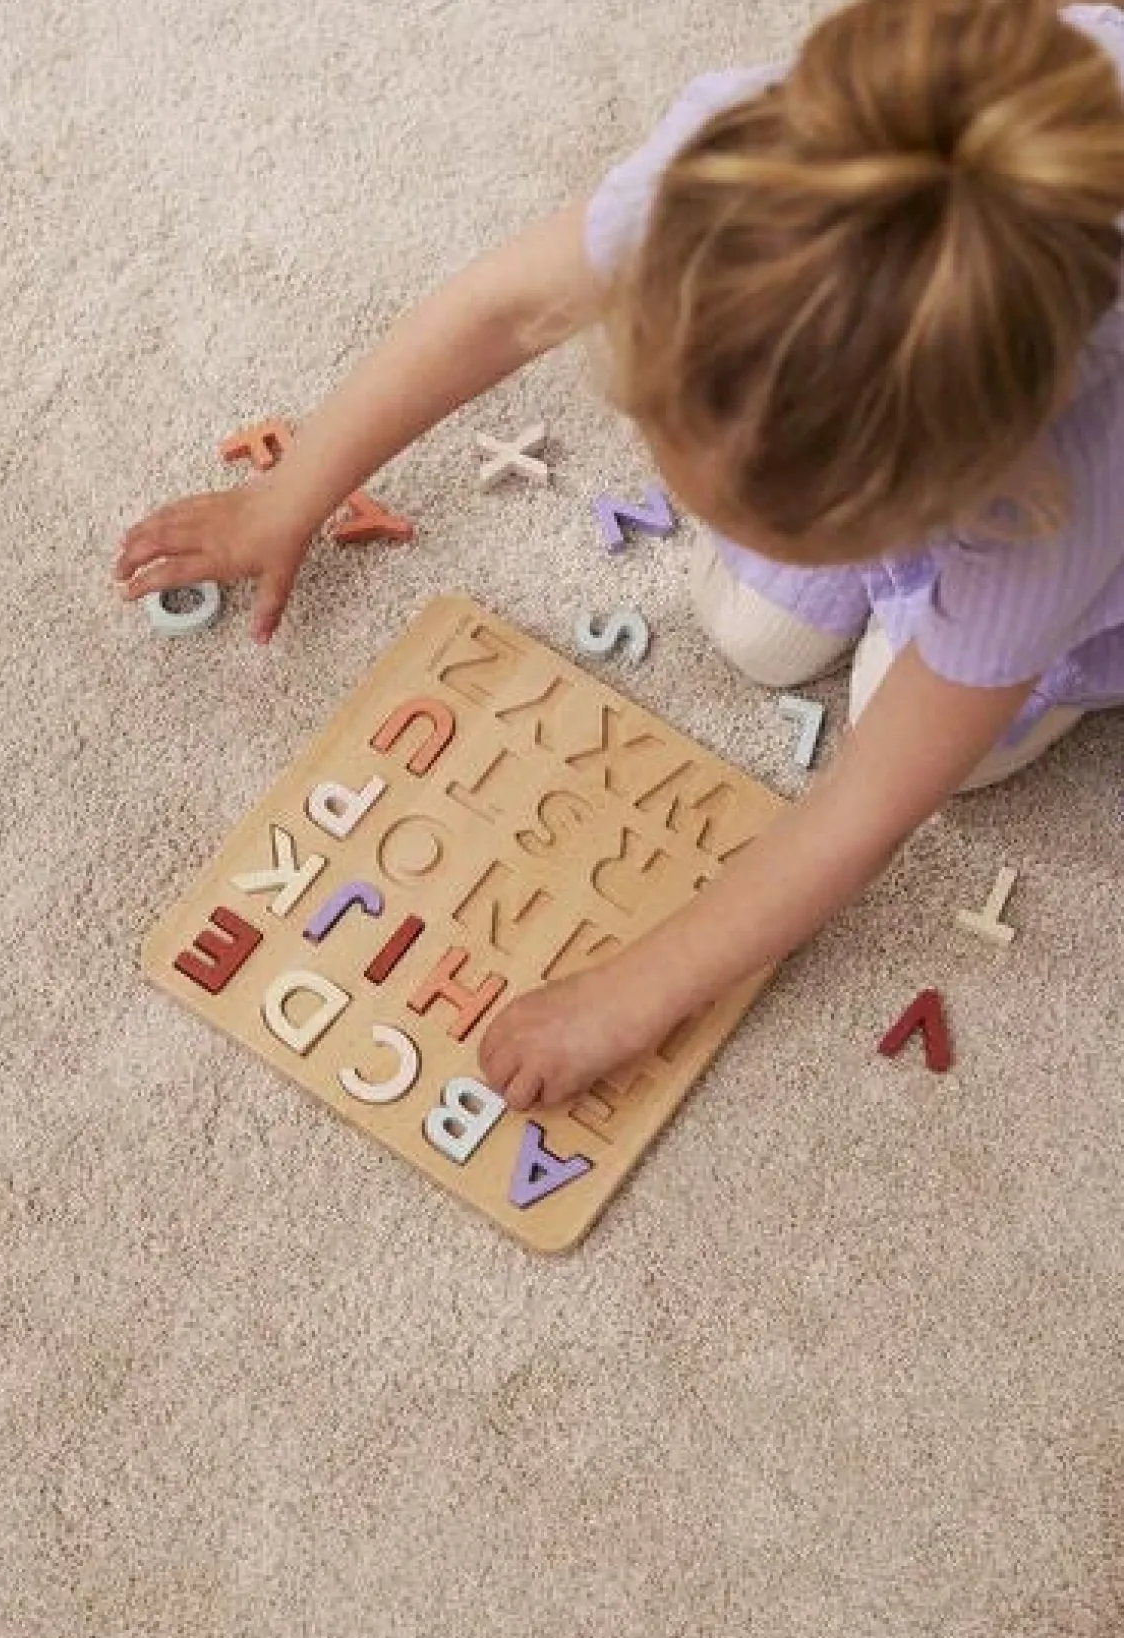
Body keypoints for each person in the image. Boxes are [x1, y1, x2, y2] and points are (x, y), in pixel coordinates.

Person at [116, 0, 1124, 1113]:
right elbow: (498, 312)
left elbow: (868, 809)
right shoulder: (717, 187)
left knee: (938, 741)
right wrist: (289, 494)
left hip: (1073, 532)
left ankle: (1003, 642)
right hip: (939, 372)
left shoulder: (1059, 499)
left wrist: (630, 997)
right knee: (757, 634)